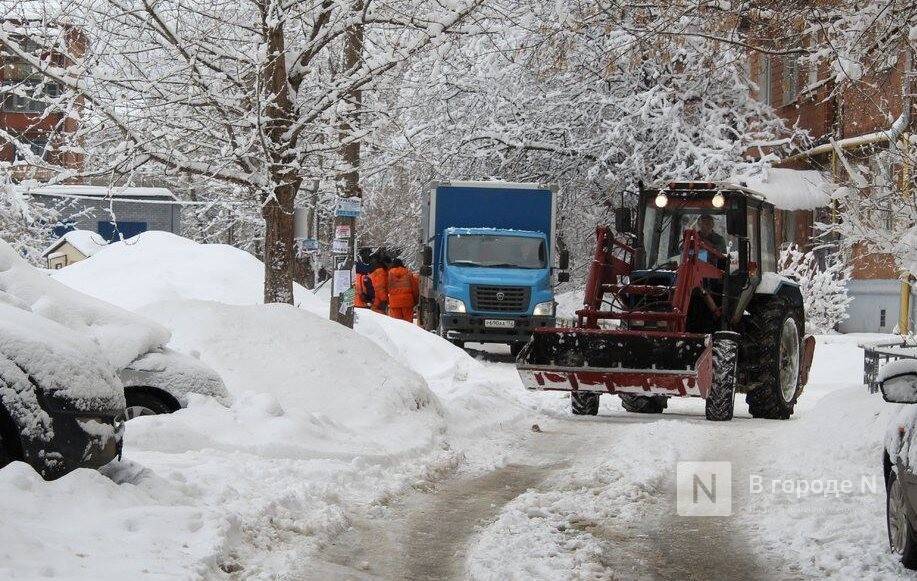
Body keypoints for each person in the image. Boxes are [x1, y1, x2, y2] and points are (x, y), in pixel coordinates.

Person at [386, 258, 419, 323]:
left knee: (397, 324)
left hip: (394, 302)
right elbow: (414, 287)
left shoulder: (389, 274)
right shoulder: (408, 272)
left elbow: (386, 287)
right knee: (408, 323)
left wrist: (387, 300)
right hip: (407, 301)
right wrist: (415, 300)